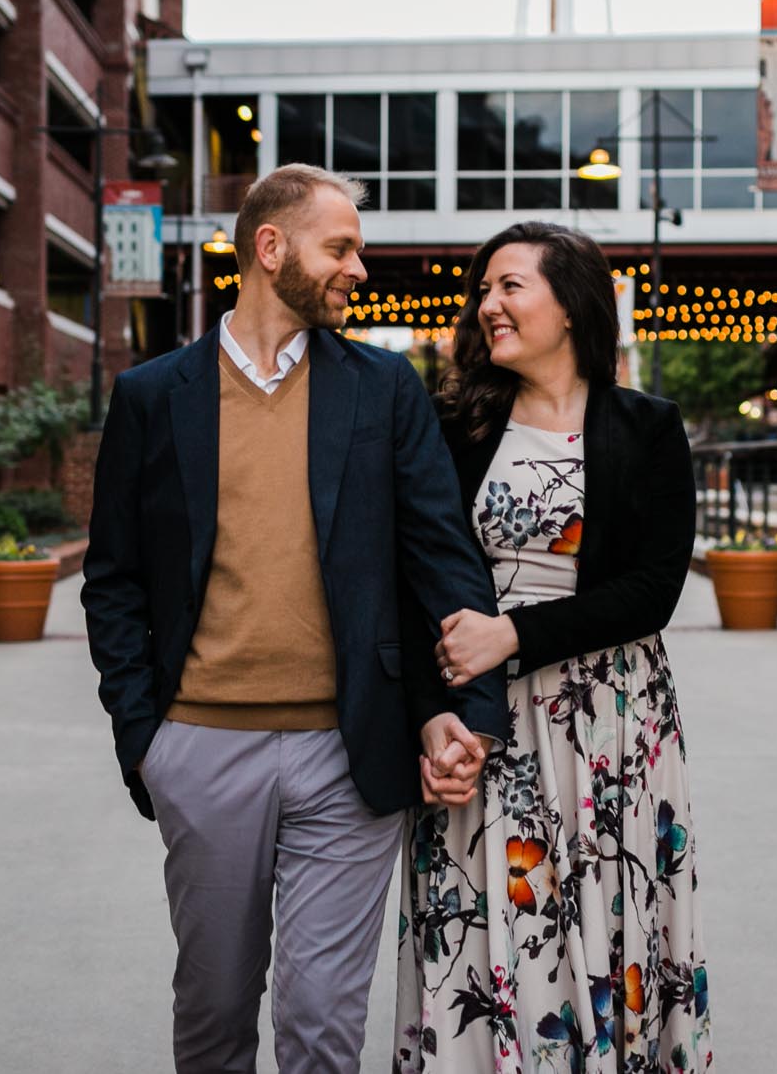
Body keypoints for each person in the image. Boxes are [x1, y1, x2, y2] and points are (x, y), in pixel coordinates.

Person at [82, 164, 507, 1074]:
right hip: (200, 746)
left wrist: (468, 709)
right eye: (341, 247)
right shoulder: (155, 396)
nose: (360, 268)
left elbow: (441, 557)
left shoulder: (383, 388)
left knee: (320, 1023)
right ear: (270, 249)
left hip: (347, 755)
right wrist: (142, 737)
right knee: (216, 1010)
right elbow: (112, 578)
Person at [395, 221, 710, 1072]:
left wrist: (513, 634)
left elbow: (654, 589)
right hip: (478, 719)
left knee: (606, 915)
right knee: (487, 919)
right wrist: (433, 714)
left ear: (570, 305)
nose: (487, 305)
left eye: (509, 286)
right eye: (483, 291)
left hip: (610, 722)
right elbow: (411, 578)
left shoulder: (646, 427)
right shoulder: (452, 426)